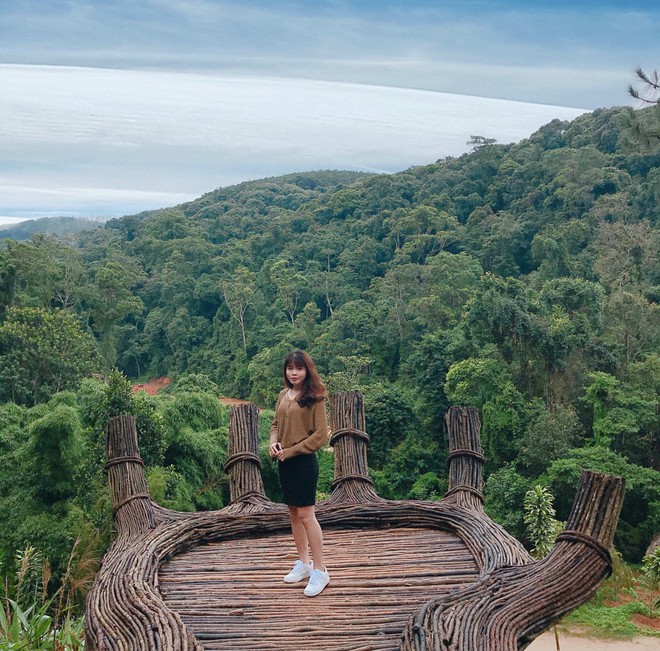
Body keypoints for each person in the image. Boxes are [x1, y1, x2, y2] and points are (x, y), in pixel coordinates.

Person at [269, 349, 330, 597]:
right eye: (290, 368)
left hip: (303, 462)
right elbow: (275, 425)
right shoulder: (284, 395)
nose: (294, 372)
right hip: (284, 462)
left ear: (307, 370)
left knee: (306, 514)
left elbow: (320, 435)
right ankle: (303, 564)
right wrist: (273, 442)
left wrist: (292, 451)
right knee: (293, 513)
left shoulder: (315, 397)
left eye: (299, 368)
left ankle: (320, 570)